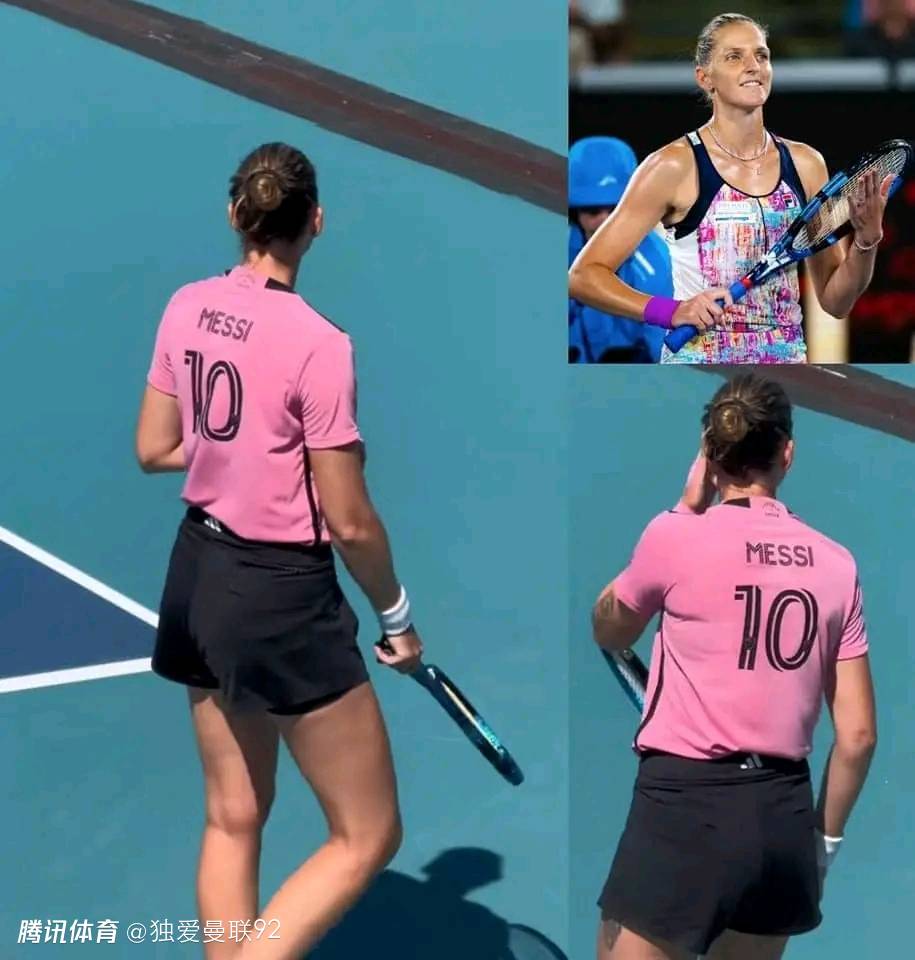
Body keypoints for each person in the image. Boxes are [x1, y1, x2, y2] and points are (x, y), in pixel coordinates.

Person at [135, 141, 424, 960]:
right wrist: (396, 616)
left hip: (195, 574)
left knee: (232, 815)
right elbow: (349, 520)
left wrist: (236, 452)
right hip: (279, 599)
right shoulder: (318, 343)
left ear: (236, 214)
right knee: (367, 833)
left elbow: (154, 447)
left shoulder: (186, 306)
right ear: (315, 223)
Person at [591, 372, 877, 959]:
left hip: (684, 811)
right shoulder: (838, 565)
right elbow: (858, 737)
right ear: (786, 454)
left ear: (709, 454)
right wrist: (819, 848)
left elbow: (609, 627)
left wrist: (684, 509)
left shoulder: (675, 537)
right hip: (782, 821)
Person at [569, 12, 895, 364]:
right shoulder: (673, 166)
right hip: (699, 373)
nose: (753, 66)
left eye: (761, 55)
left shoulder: (806, 164)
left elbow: (836, 302)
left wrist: (866, 242)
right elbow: (584, 275)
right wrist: (671, 311)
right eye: (734, 57)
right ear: (704, 77)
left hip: (786, 375)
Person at [569, 136, 672, 363]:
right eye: (593, 211)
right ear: (576, 212)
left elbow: (663, 351)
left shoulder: (656, 266)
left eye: (616, 210)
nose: (605, 221)